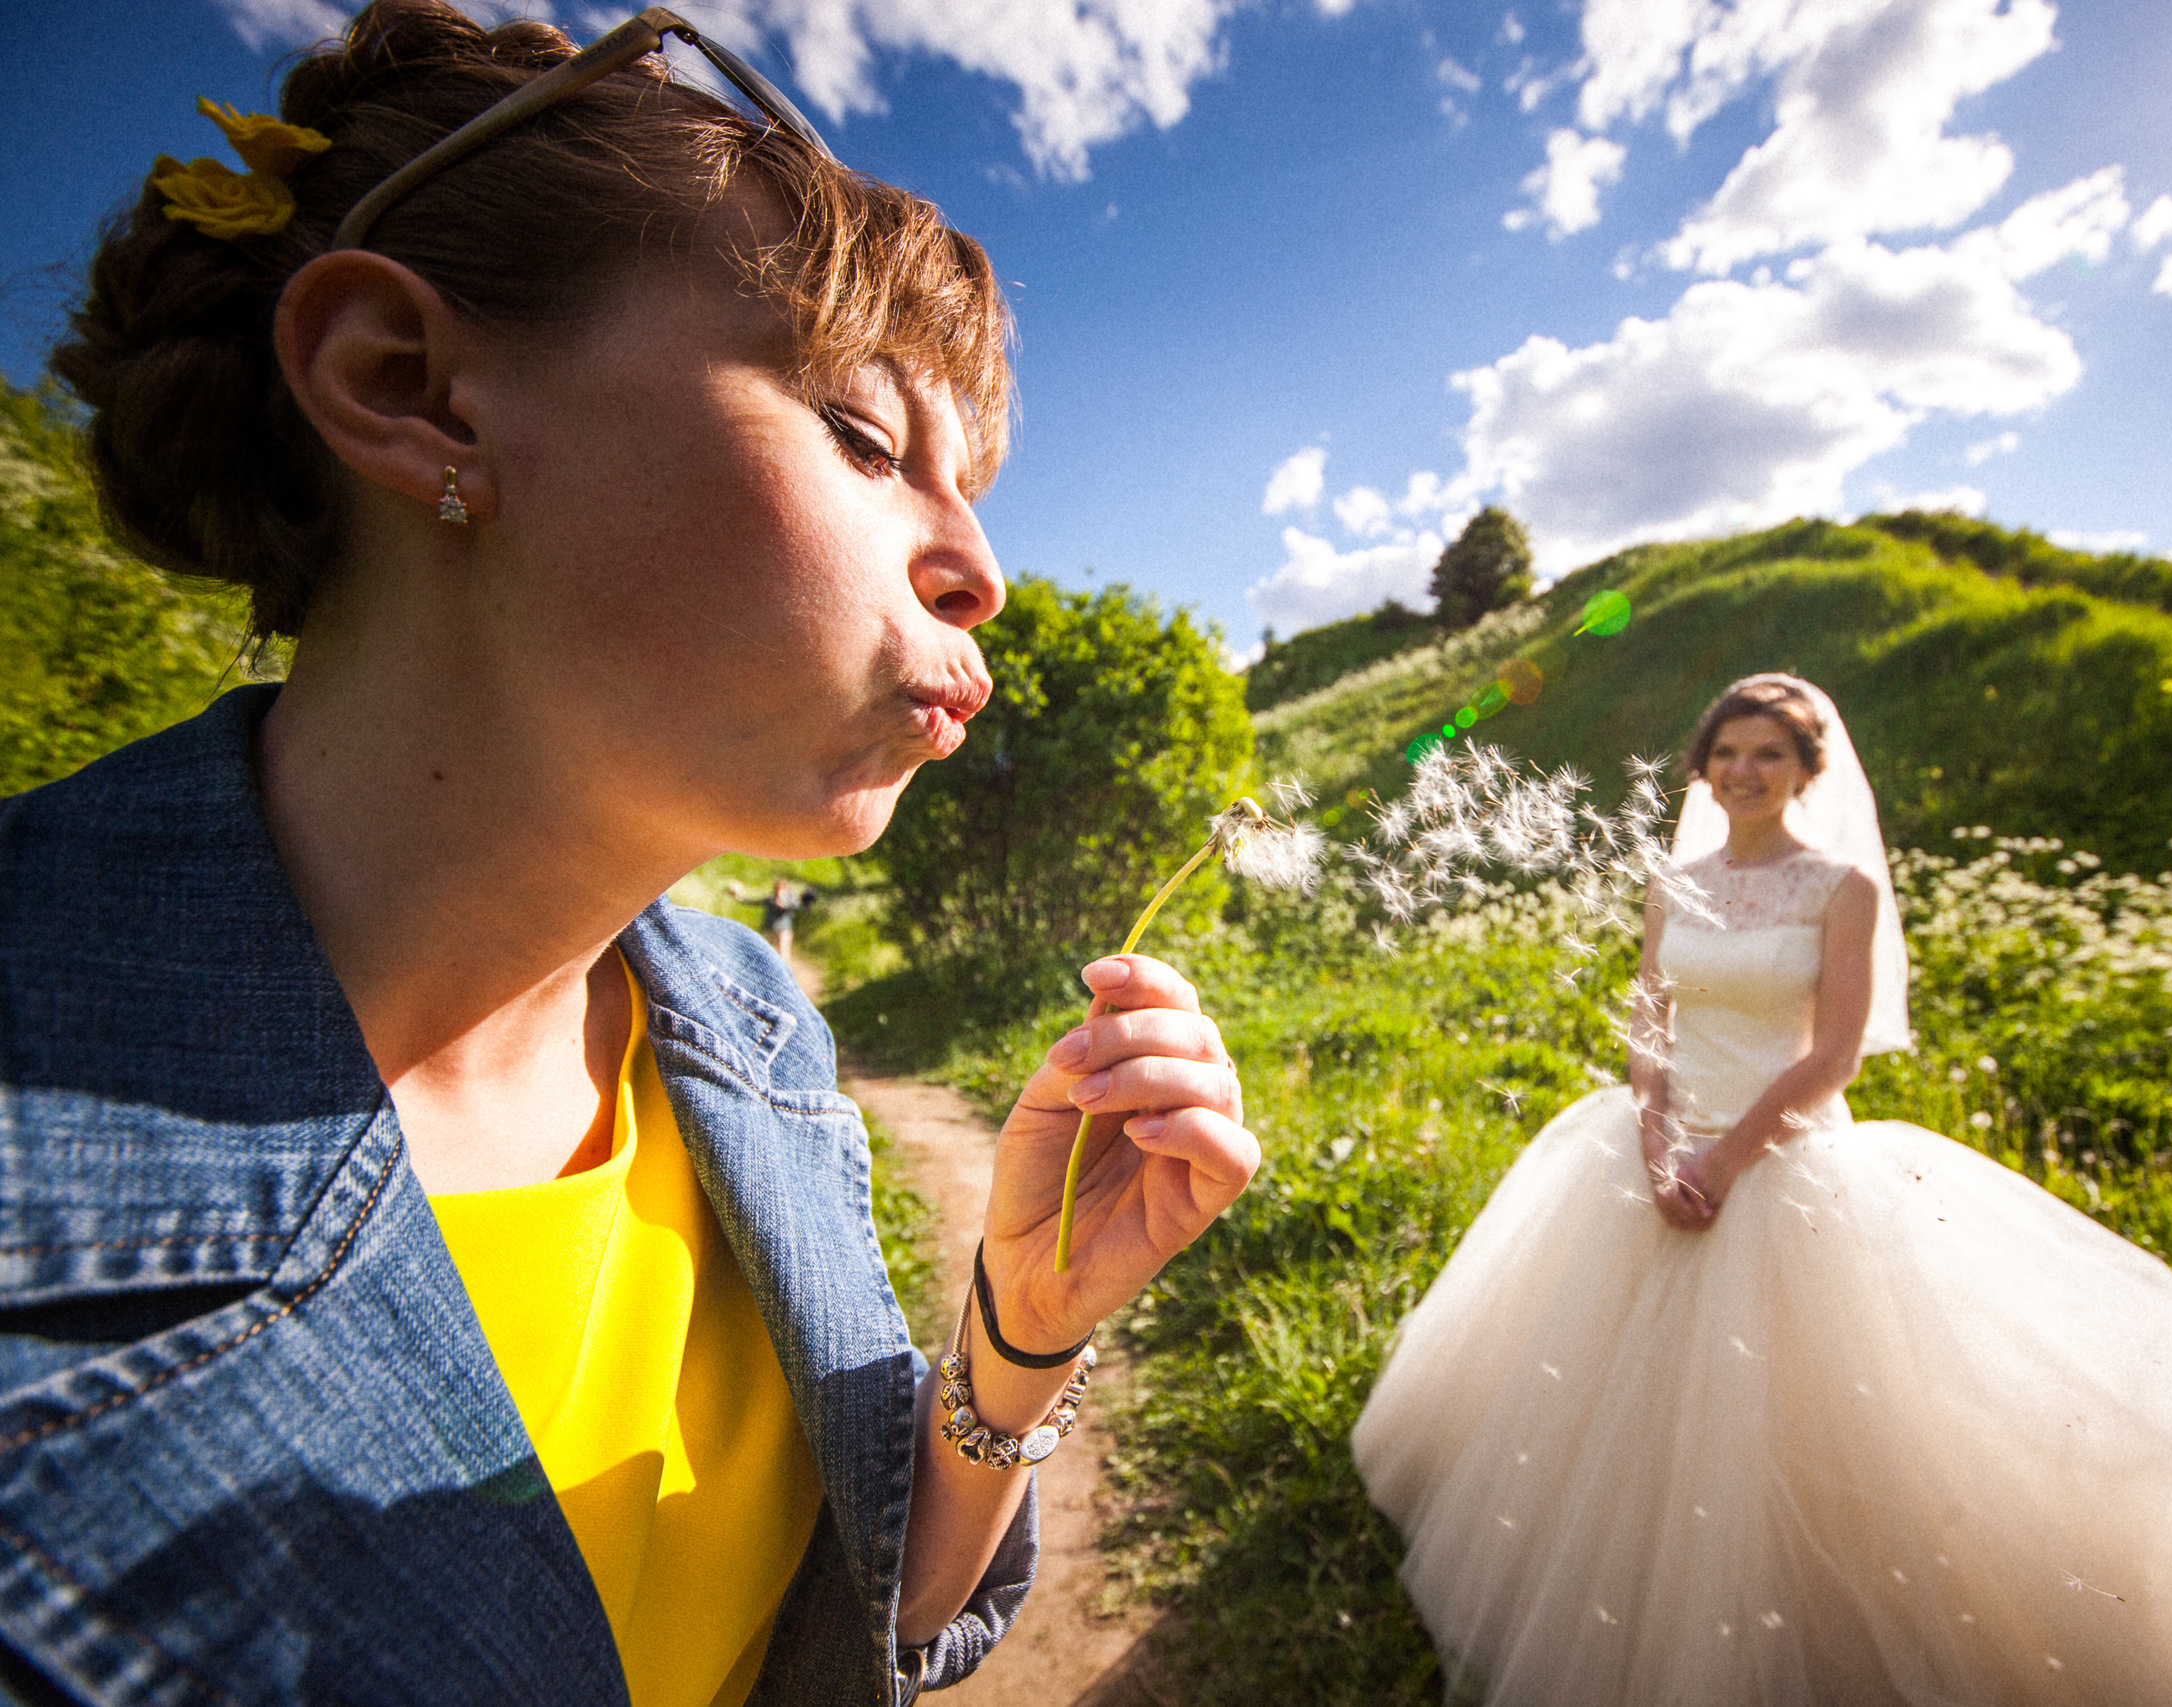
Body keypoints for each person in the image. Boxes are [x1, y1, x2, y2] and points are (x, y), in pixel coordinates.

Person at [0, 6, 1257, 1704]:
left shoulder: (747, 1016)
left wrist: (1020, 1336)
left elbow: (856, 1628)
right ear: (410, 388)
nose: (982, 568)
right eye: (871, 441)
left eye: (979, 489)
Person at [1350, 673, 2172, 1706]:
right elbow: (1651, 1018)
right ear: (1701, 770)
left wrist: (1724, 1159)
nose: (1744, 771)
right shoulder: (1673, 884)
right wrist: (1656, 1145)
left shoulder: (1839, 888)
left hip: (1782, 1156)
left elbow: (1832, 1056)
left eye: (1769, 754)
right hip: (1656, 1153)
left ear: (1806, 772)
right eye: (1727, 753)